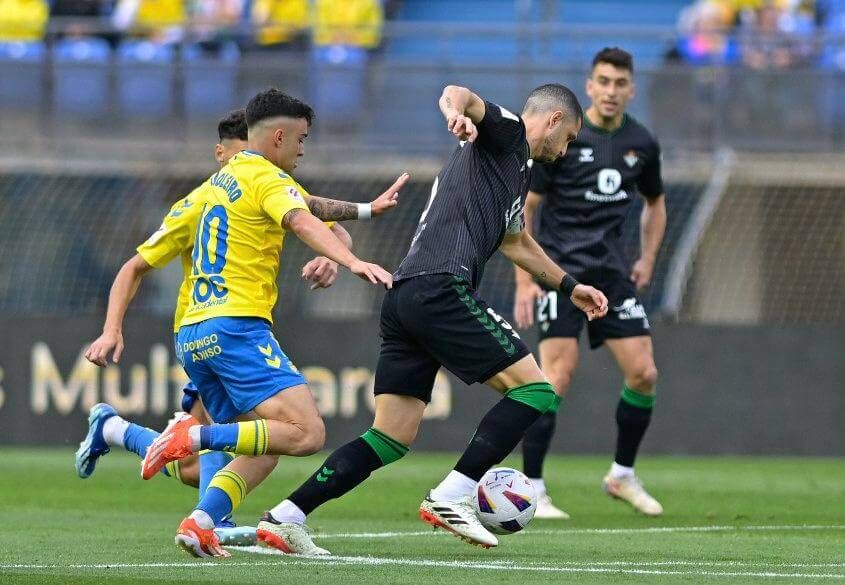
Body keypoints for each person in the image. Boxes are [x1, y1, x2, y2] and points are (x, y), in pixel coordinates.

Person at [248, 83, 608, 556]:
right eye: (569, 139)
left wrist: (569, 286)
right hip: (442, 286)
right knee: (536, 391)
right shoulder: (509, 133)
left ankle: (287, 517)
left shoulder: (515, 172)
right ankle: (453, 494)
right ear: (554, 120)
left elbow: (516, 243)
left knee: (390, 437)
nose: (564, 151)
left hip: (406, 296)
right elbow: (458, 93)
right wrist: (455, 113)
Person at [113, 88, 406, 558]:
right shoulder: (267, 176)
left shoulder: (213, 186)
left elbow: (311, 207)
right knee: (306, 432)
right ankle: (190, 435)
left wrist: (368, 210)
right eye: (302, 139)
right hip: (236, 326)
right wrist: (351, 262)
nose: (303, 149)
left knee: (264, 446)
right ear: (279, 136)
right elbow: (302, 220)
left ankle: (200, 523)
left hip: (193, 334)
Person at [76, 110, 255, 545]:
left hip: (244, 328)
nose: (245, 165)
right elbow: (134, 267)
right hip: (207, 330)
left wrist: (334, 252)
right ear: (219, 153)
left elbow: (323, 223)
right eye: (238, 155)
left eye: (252, 156)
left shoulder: (267, 190)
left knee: (193, 466)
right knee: (239, 430)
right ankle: (214, 519)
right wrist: (111, 329)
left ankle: (113, 428)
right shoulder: (196, 206)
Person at [513, 48, 667, 519]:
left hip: (613, 277)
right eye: (604, 81)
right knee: (556, 376)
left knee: (644, 373)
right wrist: (526, 281)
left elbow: (655, 204)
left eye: (620, 83)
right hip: (560, 274)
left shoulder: (642, 142)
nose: (611, 91)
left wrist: (647, 259)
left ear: (631, 89)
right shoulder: (565, 137)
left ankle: (622, 474)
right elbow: (526, 209)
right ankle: (533, 487)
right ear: (590, 86)